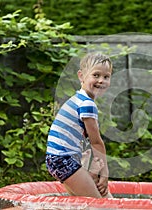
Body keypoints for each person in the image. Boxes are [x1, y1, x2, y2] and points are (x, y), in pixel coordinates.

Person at [45, 52, 113, 198]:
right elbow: (96, 142)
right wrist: (105, 173)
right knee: (99, 206)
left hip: (58, 158)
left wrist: (92, 170)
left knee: (86, 201)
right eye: (96, 75)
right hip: (63, 159)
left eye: (106, 77)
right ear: (81, 76)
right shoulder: (87, 104)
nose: (101, 80)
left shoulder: (79, 99)